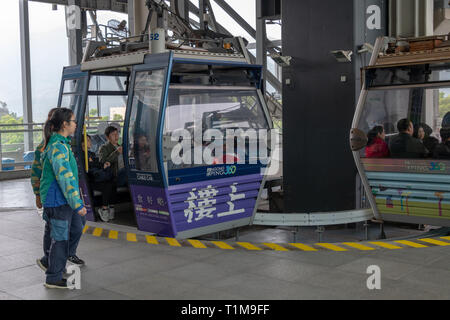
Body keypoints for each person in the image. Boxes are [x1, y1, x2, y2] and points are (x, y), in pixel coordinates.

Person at [34, 108, 86, 278]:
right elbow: (65, 177)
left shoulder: (61, 144)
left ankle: (51, 264)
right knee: (60, 239)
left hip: (60, 200)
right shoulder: (57, 147)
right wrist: (77, 204)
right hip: (58, 201)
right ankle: (54, 276)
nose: (76, 124)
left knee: (60, 235)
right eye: (73, 121)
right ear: (65, 124)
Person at [82, 135, 115, 222]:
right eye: (88, 140)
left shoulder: (91, 154)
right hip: (91, 180)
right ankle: (104, 209)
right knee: (107, 185)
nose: (90, 142)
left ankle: (109, 206)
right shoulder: (82, 156)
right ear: (83, 143)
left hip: (97, 178)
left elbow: (97, 163)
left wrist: (104, 165)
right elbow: (90, 169)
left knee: (112, 182)